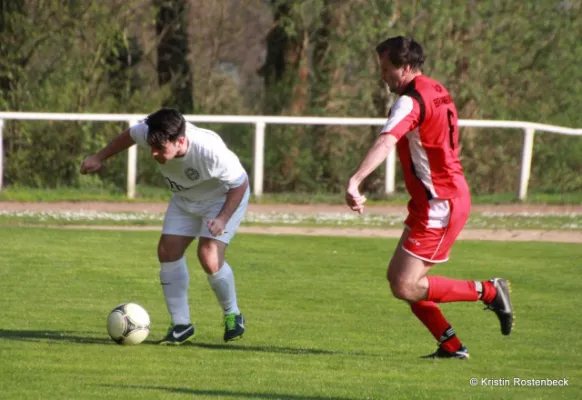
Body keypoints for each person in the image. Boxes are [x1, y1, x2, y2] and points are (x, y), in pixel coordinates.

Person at [345, 36, 513, 359]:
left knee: (406, 284)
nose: (382, 75)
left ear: (405, 67)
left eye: (386, 68)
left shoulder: (410, 101)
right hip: (436, 199)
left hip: (441, 203)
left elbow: (386, 142)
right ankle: (451, 346)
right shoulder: (438, 89)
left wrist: (355, 180)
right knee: (399, 278)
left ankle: (490, 291)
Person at [80, 108, 248, 345]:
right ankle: (181, 325)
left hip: (221, 198)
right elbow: (129, 135)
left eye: (160, 149)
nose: (154, 153)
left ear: (180, 141)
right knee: (167, 251)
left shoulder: (210, 151)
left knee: (208, 255)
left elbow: (239, 185)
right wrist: (99, 157)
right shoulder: (150, 131)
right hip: (184, 198)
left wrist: (222, 218)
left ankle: (233, 315)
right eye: (151, 147)